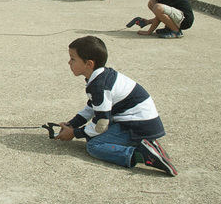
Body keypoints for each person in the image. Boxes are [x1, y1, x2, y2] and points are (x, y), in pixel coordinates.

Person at [55, 36, 177, 176]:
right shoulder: (101, 76)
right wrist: (72, 124)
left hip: (137, 127)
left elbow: (101, 124)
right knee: (92, 134)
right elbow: (92, 107)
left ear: (89, 64)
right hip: (139, 122)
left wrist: (74, 133)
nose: (69, 62)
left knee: (94, 146)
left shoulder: (100, 87)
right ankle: (147, 146)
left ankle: (143, 154)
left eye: (73, 59)